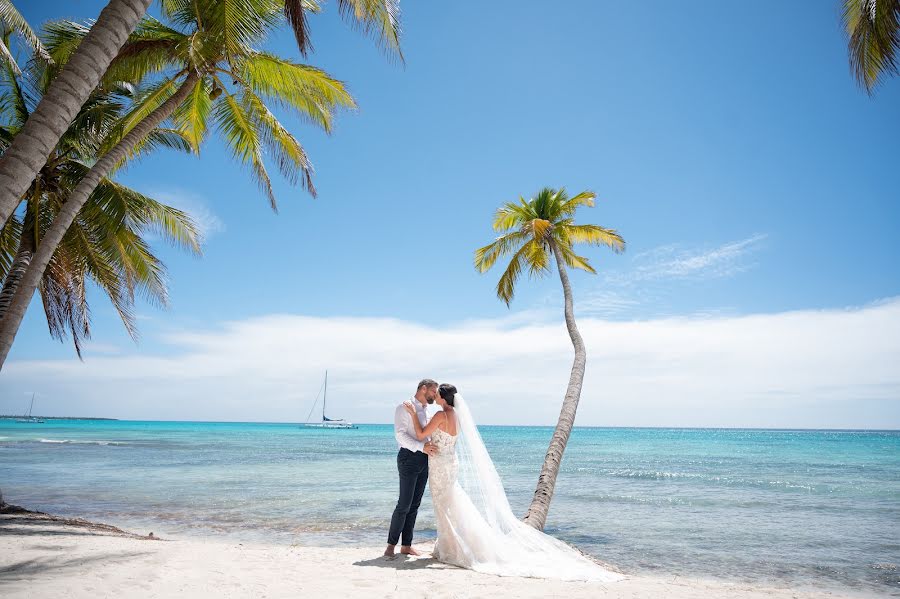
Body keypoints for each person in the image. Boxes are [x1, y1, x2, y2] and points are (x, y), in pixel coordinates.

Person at [402, 383, 623, 582]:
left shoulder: (441, 415)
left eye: (437, 394)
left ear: (443, 398)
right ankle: (449, 545)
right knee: (451, 502)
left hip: (440, 464)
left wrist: (413, 413)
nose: (435, 397)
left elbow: (421, 434)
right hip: (450, 461)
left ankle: (451, 548)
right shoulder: (457, 417)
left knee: (444, 504)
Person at [384, 379, 439, 557]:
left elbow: (424, 434)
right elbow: (400, 436)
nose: (434, 395)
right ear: (424, 388)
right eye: (433, 391)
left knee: (415, 505)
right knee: (404, 504)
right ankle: (391, 545)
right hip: (408, 458)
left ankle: (406, 545)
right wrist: (421, 447)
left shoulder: (426, 410)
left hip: (424, 459)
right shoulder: (403, 407)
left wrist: (428, 446)